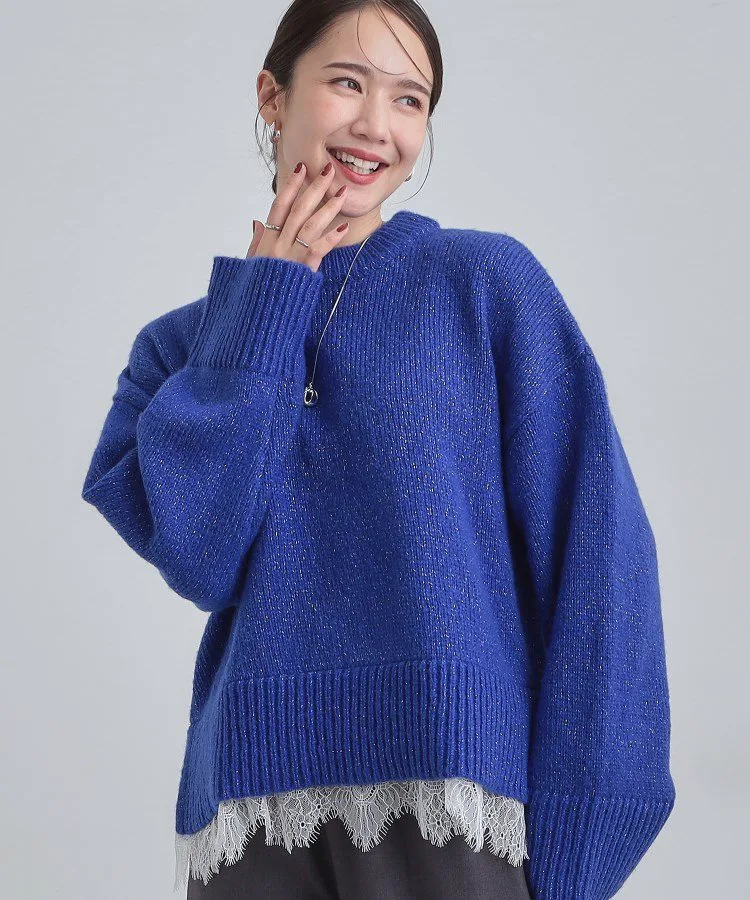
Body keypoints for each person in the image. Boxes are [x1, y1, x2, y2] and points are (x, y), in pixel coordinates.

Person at [80, 1, 676, 898]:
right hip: (248, 821)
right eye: (347, 83)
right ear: (273, 96)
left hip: (456, 809)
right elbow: (202, 557)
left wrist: (585, 838)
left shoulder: (486, 286)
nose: (375, 125)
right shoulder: (180, 350)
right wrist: (268, 303)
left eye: (409, 99)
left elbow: (601, 564)